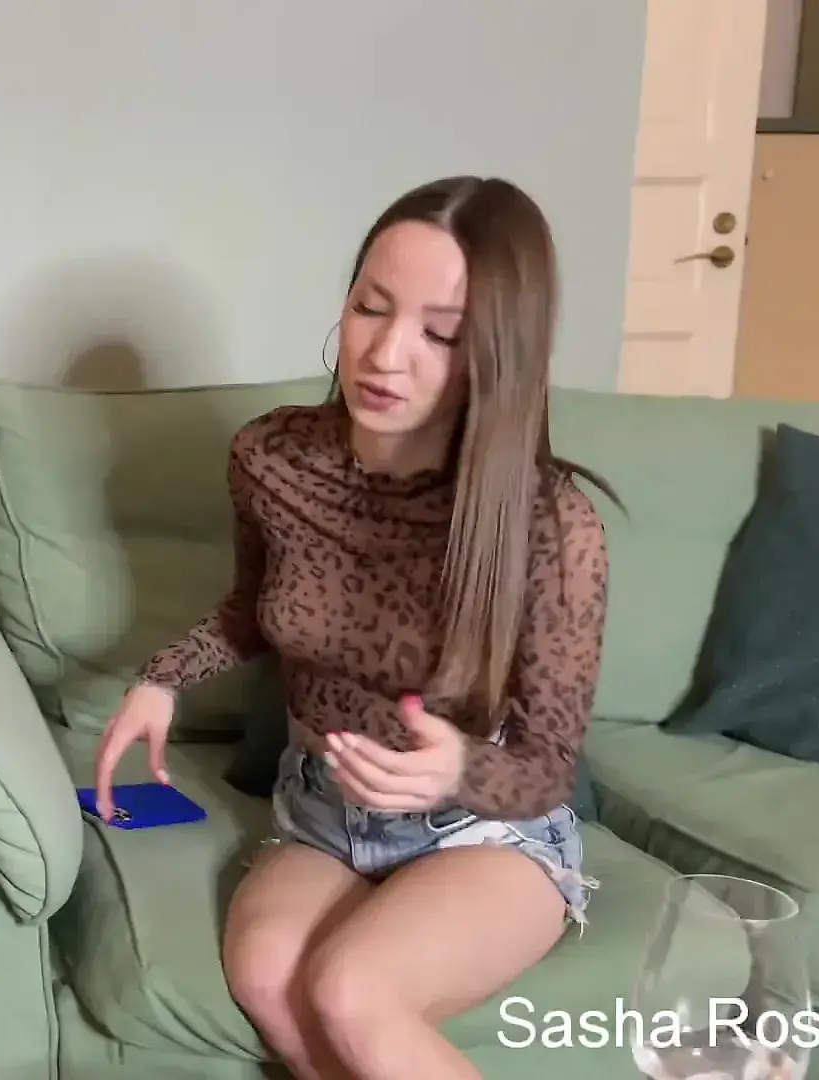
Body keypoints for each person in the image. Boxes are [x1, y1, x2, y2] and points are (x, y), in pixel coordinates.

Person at [90, 177, 611, 1080]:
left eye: (440, 333)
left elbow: (547, 767)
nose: (385, 354)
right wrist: (161, 678)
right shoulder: (272, 457)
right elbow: (256, 609)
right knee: (267, 976)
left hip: (482, 829)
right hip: (323, 807)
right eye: (371, 307)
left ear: (499, 353)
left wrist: (455, 767)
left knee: (351, 990)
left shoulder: (553, 528)